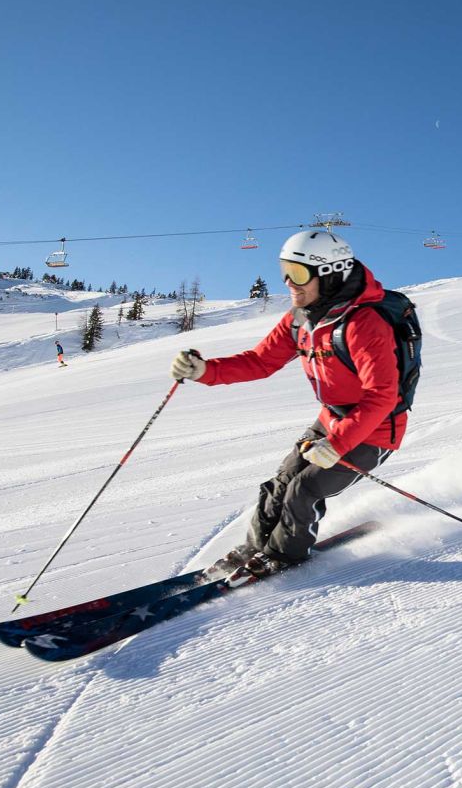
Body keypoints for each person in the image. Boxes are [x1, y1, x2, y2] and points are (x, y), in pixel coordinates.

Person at [169, 230, 404, 580]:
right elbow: (261, 361)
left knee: (304, 489)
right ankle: (255, 547)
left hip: (374, 429)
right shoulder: (301, 318)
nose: (288, 283)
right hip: (331, 419)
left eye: (297, 274)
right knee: (280, 483)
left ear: (329, 273)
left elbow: (382, 395)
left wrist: (337, 443)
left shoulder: (364, 323)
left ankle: (283, 557)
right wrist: (206, 371)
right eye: (285, 271)